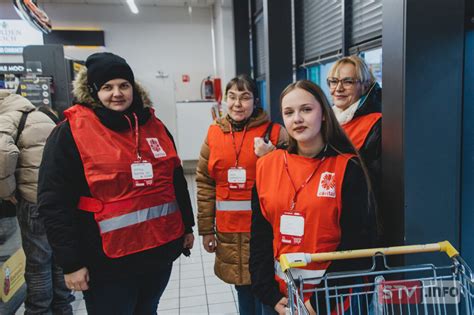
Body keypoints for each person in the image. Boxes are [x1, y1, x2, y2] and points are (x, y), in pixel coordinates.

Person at [37, 52, 195, 315]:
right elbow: (53, 203)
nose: (117, 93)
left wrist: (186, 226)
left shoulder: (154, 125)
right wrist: (70, 263)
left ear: (134, 88)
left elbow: (175, 179)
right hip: (106, 263)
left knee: (148, 310)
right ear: (94, 91)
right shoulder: (70, 133)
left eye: (124, 85)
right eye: (107, 87)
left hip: (157, 254)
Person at [250, 80, 376, 315]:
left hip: (336, 300)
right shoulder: (266, 166)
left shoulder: (347, 168)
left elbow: (357, 243)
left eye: (306, 110)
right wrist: (269, 294)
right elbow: (260, 235)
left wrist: (315, 304)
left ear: (325, 114)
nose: (297, 118)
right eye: (289, 112)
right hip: (283, 299)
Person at [196, 74, 288, 314]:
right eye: (232, 97)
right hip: (229, 231)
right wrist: (206, 229)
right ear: (225, 100)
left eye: (245, 97)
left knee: (268, 290)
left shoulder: (275, 133)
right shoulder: (214, 133)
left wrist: (272, 155)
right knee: (243, 290)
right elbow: (205, 182)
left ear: (255, 101)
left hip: (265, 230)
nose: (238, 104)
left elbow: (294, 173)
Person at [0, 91, 73, 315]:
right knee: (59, 259)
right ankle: (62, 308)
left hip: (32, 199)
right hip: (57, 199)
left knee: (37, 264)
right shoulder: (39, 114)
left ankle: (39, 311)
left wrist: (8, 192)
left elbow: (3, 153)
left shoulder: (8, 118)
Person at [327, 55, 382, 212]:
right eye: (334, 81)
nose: (338, 88)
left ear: (365, 86)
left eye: (348, 82)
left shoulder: (377, 124)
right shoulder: (326, 120)